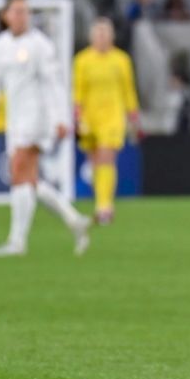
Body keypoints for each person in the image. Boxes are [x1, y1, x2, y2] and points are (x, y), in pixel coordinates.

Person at [0, 0, 92, 257]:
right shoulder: (1, 44)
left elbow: (54, 85)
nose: (22, 16)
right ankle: (74, 220)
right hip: (15, 119)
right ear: (5, 16)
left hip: (38, 117)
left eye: (25, 11)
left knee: (19, 169)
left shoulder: (40, 44)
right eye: (17, 11)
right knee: (27, 179)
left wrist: (61, 118)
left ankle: (17, 242)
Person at [73, 17, 140, 226]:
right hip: (90, 117)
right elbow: (78, 91)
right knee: (95, 160)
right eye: (98, 32)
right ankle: (101, 202)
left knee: (106, 156)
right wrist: (77, 115)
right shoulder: (82, 60)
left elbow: (128, 90)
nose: (102, 37)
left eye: (105, 32)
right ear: (92, 36)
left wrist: (133, 116)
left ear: (111, 36)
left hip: (113, 116)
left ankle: (105, 206)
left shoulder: (121, 60)